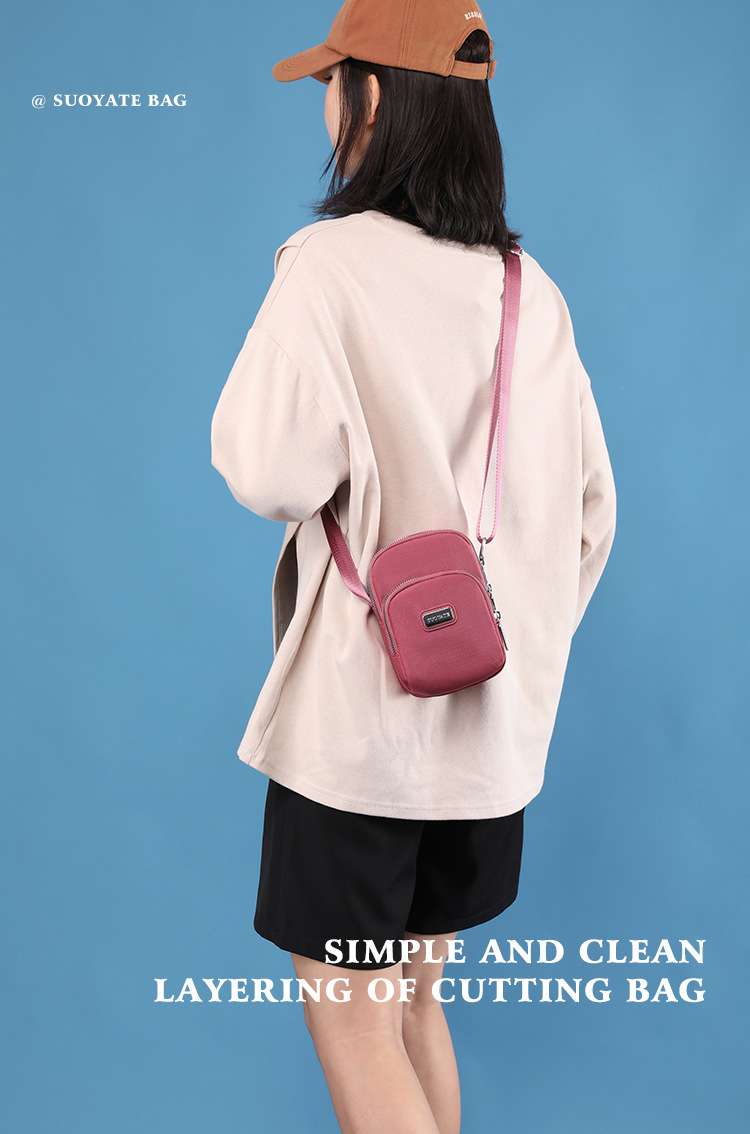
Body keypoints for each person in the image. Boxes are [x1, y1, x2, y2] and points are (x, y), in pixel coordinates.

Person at [210, 2, 616, 1131]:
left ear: (374, 96)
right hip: (489, 740)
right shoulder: (529, 290)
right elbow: (592, 515)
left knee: (353, 1020)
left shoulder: (330, 266)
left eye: (332, 85)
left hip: (361, 745)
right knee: (415, 1004)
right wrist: (513, 643)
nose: (326, 110)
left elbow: (266, 470)